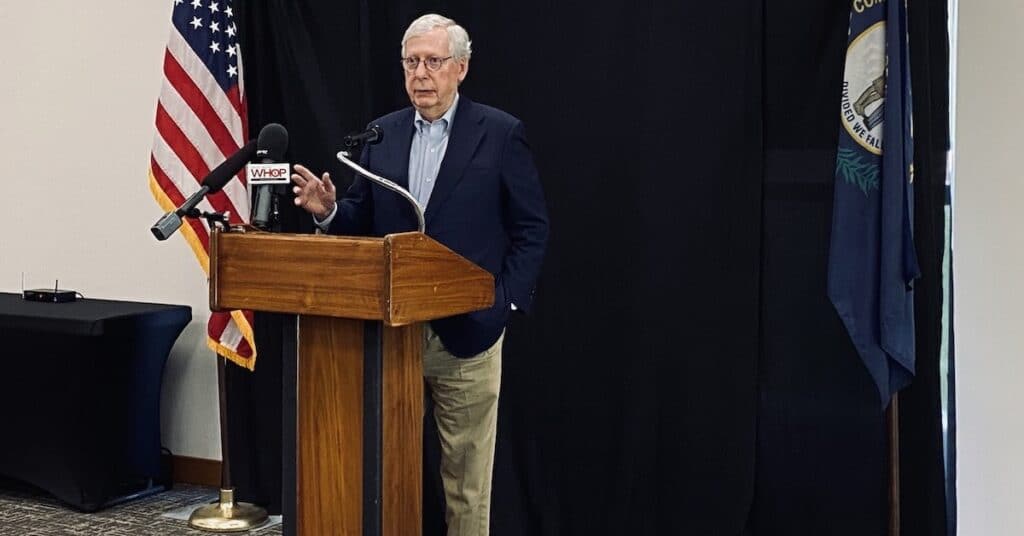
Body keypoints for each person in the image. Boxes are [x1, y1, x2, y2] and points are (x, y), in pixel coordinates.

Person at [290, 13, 549, 536]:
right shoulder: (382, 133)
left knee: (467, 482)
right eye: (412, 62)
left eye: (433, 61)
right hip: (393, 333)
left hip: (469, 332)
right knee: (386, 471)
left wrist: (505, 302)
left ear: (461, 68)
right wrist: (328, 212)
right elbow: (363, 217)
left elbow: (531, 227)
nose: (421, 74)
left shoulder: (499, 133)